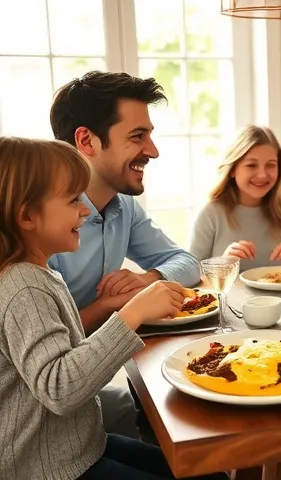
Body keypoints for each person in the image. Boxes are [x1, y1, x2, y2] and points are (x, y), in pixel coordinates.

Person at [0, 136, 228, 480]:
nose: (85, 209)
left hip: (80, 448)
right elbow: (60, 389)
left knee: (209, 473)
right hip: (48, 469)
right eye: (73, 199)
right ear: (27, 215)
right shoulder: (23, 286)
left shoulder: (38, 274)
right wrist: (131, 314)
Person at [48, 71, 201, 439]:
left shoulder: (124, 209)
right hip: (45, 411)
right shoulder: (39, 224)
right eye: (137, 136)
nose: (153, 150)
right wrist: (117, 306)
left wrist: (149, 279)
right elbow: (50, 357)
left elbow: (187, 261)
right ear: (86, 140)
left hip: (90, 378)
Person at [189, 125, 281, 271]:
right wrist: (223, 263)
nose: (262, 174)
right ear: (233, 169)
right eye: (251, 165)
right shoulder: (211, 213)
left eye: (271, 165)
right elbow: (190, 272)